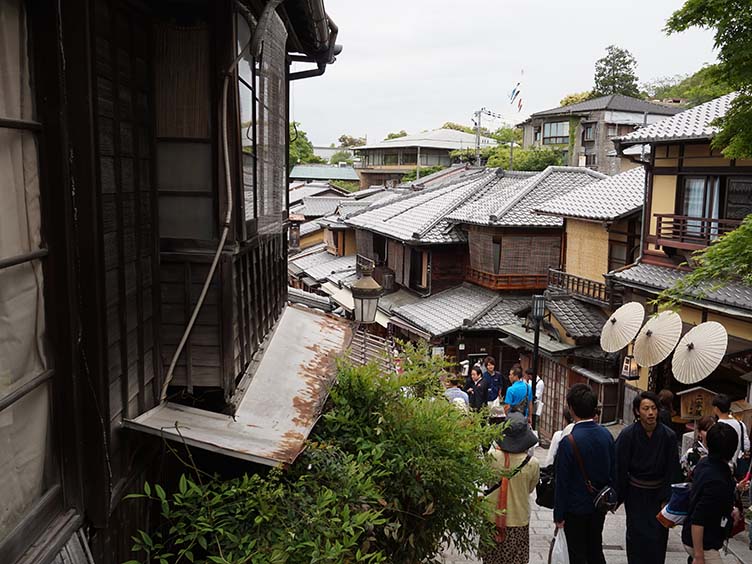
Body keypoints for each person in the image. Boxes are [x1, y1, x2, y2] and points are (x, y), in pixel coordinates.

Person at [615, 391, 681, 564]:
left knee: (658, 539)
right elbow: (620, 467)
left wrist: (668, 498)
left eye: (653, 408)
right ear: (637, 411)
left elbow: (672, 470)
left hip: (659, 494)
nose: (650, 413)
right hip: (636, 494)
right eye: (646, 408)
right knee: (635, 537)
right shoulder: (628, 435)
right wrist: (618, 495)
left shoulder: (668, 436)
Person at [554, 384, 615, 564]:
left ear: (571, 408)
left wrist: (559, 514)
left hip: (575, 508)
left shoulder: (569, 441)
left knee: (577, 553)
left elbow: (562, 482)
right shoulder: (607, 435)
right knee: (595, 548)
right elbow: (613, 471)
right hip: (599, 505)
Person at [483, 411, 540, 564]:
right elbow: (530, 489)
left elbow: (487, 482)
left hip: (492, 518)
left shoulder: (491, 457)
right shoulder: (532, 463)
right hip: (518, 519)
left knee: (491, 560)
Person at [681, 422, 738, 564]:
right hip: (703, 543)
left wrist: (729, 509)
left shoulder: (705, 463)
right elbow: (698, 518)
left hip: (700, 537)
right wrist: (699, 555)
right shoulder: (717, 480)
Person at [712, 393, 751, 480]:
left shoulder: (718, 427)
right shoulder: (740, 424)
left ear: (716, 408)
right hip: (735, 466)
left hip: (720, 469)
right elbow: (747, 446)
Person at [680, 415, 715, 480]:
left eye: (713, 430)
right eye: (706, 430)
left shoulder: (720, 450)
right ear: (699, 432)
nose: (711, 433)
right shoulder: (692, 453)